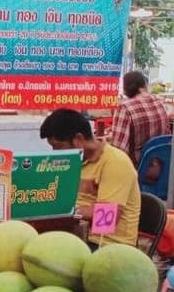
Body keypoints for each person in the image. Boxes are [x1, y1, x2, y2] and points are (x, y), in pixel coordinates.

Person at [39, 108, 140, 248]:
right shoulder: (74, 161)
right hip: (75, 234)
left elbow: (106, 219)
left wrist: (66, 212)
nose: (55, 153)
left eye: (58, 147)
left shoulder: (116, 162)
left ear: (79, 139)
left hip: (106, 243)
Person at [110, 70, 170, 165]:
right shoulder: (159, 102)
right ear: (144, 85)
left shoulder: (125, 108)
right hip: (163, 166)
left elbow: (118, 150)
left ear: (125, 89)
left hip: (138, 169)